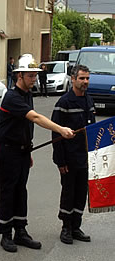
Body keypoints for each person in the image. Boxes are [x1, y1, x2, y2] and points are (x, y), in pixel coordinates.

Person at [0, 56, 74, 253]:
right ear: (19, 76)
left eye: (35, 76)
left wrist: (27, 149)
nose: (34, 80)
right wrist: (61, 129)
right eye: (30, 76)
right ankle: (6, 234)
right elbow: (35, 118)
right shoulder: (12, 97)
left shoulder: (27, 94)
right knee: (8, 192)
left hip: (21, 150)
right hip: (7, 151)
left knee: (21, 191)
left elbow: (26, 126)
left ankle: (20, 231)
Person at [51, 65, 94, 245]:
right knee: (68, 193)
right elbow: (56, 134)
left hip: (85, 158)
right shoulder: (63, 103)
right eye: (82, 78)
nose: (85, 82)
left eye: (87, 78)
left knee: (80, 193)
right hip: (69, 159)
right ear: (73, 79)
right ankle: (66, 228)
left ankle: (76, 226)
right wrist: (60, 161)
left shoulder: (89, 101)